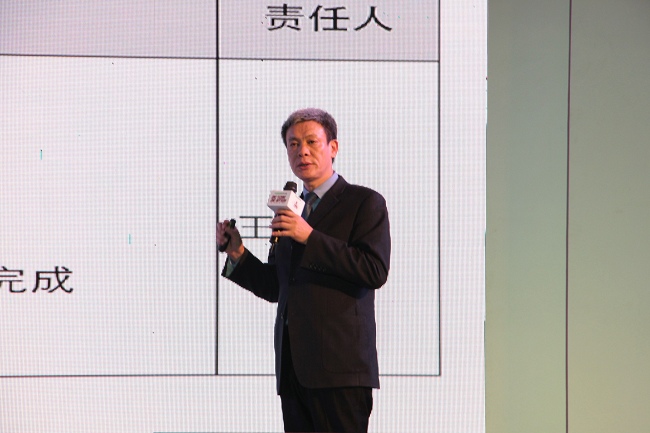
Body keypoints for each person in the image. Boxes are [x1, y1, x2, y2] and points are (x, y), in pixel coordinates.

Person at [217, 108, 391, 432]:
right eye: (293, 144)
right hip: (293, 369)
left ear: (333, 147)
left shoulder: (364, 202)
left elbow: (374, 270)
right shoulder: (291, 208)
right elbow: (277, 286)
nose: (302, 151)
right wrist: (237, 252)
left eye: (311, 142)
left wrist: (309, 237)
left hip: (340, 371)